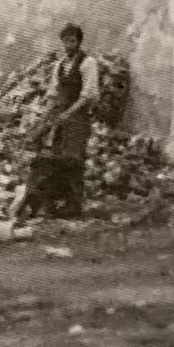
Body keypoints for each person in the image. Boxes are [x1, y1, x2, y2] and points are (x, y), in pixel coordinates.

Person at [23, 23, 103, 221]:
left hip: (78, 118)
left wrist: (69, 113)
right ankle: (55, 203)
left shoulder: (88, 63)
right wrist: (45, 119)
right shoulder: (60, 65)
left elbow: (88, 94)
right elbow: (52, 93)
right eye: (65, 41)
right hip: (60, 117)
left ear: (78, 42)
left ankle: (74, 206)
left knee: (74, 160)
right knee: (56, 159)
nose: (68, 45)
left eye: (72, 41)